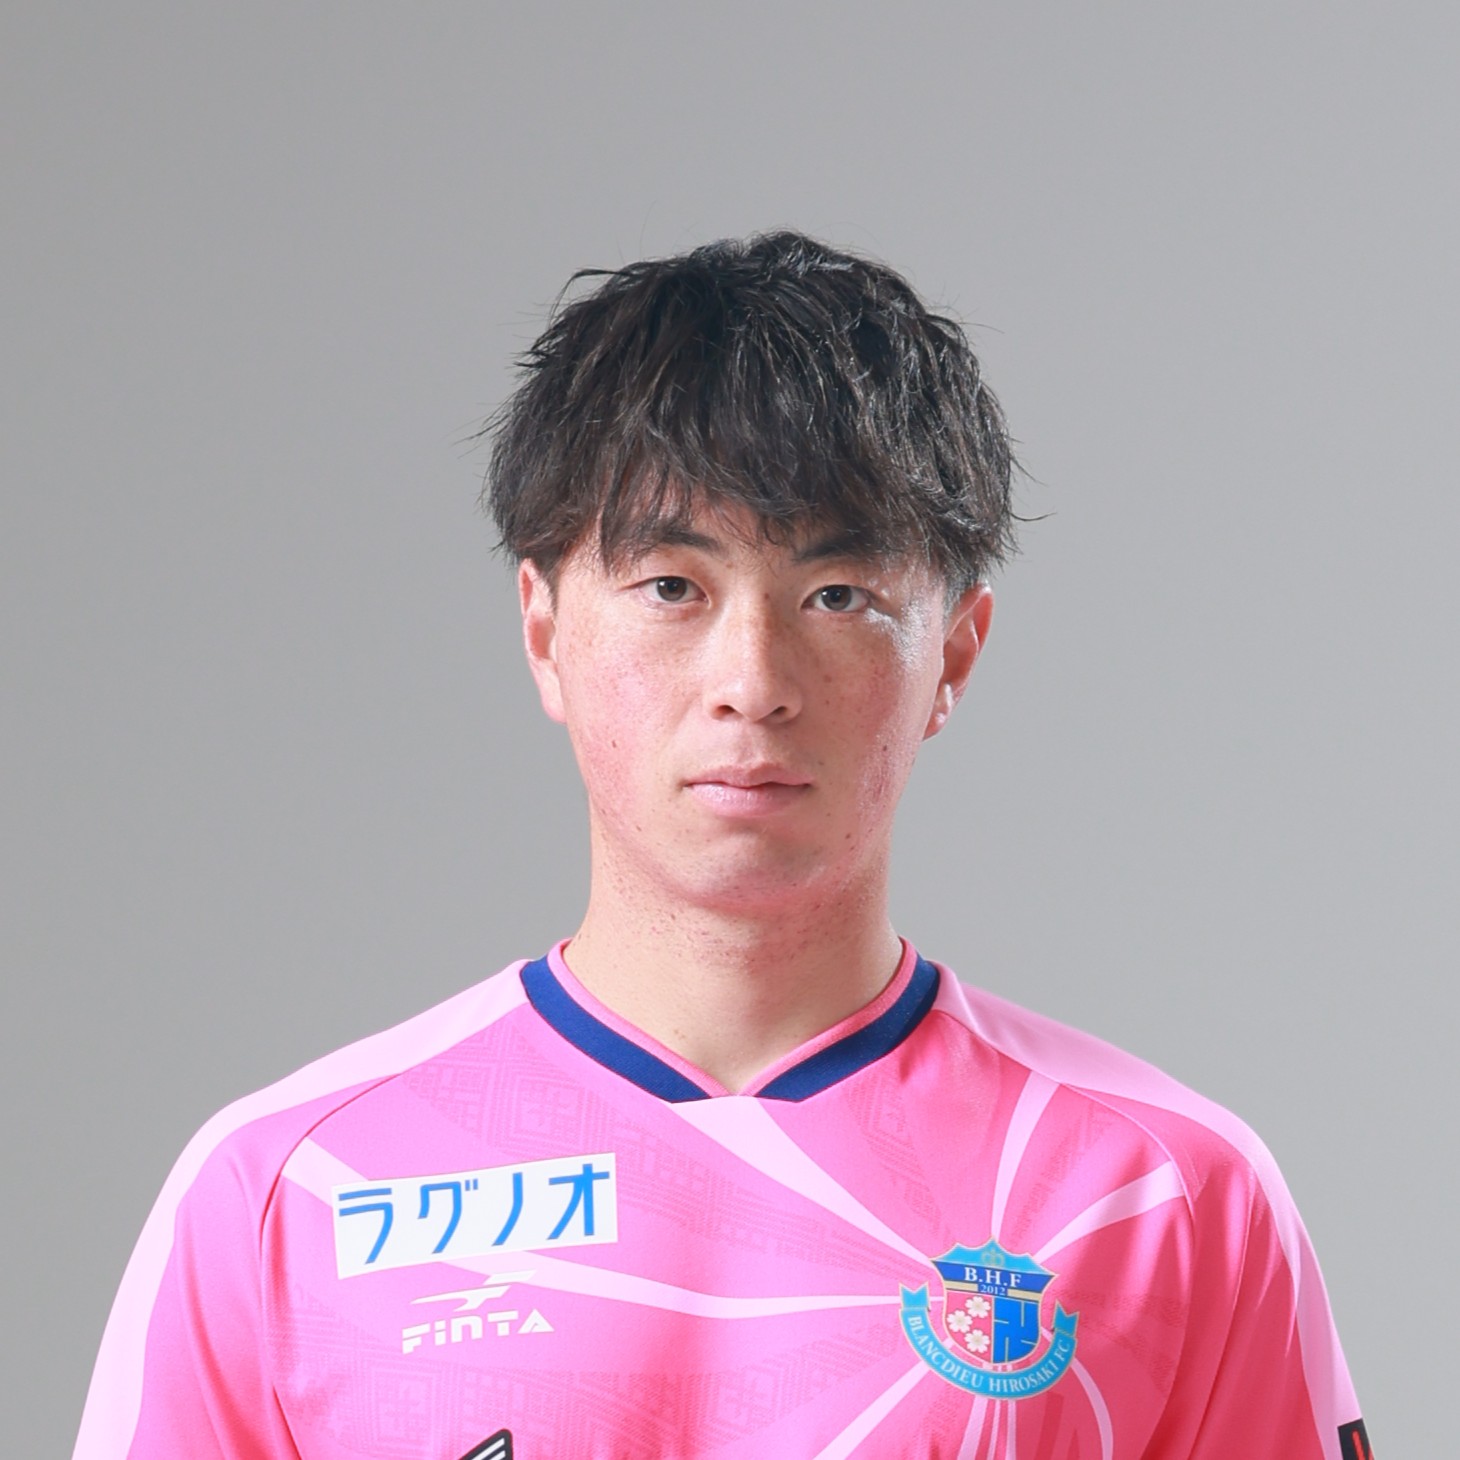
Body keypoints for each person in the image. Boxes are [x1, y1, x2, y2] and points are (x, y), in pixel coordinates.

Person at [74, 232, 1371, 1460]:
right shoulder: (287, 1189)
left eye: (837, 595)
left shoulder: (1161, 1196)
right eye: (672, 588)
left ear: (955, 655)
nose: (752, 682)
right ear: (544, 630)